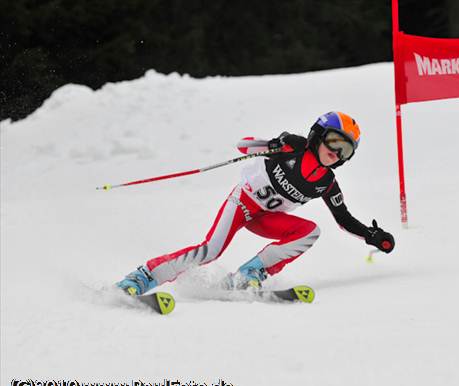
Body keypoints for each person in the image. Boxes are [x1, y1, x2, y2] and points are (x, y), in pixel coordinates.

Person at [116, 111, 395, 295]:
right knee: (211, 250)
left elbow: (343, 218)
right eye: (333, 142)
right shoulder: (293, 147)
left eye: (344, 149)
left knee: (311, 231)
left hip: (266, 219)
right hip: (242, 204)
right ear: (317, 136)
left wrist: (371, 235)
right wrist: (271, 144)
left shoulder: (327, 183)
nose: (335, 152)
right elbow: (243, 145)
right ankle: (141, 277)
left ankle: (250, 274)